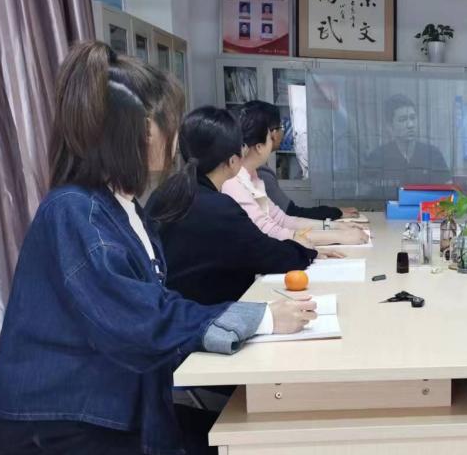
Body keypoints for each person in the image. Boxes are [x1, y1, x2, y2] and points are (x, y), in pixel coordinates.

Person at [0, 42, 316, 455]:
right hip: (47, 438)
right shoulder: (76, 214)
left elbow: (152, 314)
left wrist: (243, 323)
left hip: (95, 413)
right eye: (163, 123)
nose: (172, 137)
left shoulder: (116, 208)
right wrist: (257, 319)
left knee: (234, 445)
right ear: (135, 132)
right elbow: (141, 324)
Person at [148, 106, 343, 306]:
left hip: (171, 310)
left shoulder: (163, 195)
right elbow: (267, 254)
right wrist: (306, 251)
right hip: (211, 314)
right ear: (233, 161)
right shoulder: (220, 208)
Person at [222, 104, 367, 246]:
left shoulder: (252, 177)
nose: (274, 139)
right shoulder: (233, 183)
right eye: (269, 137)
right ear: (259, 147)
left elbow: (283, 220)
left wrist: (336, 227)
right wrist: (339, 236)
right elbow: (272, 232)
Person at [241, 100, 358, 222]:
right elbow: (290, 214)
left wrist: (334, 215)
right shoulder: (258, 174)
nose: (283, 132)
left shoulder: (254, 173)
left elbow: (281, 219)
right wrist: (334, 217)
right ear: (272, 134)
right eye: (281, 127)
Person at [363, 94, 451, 197]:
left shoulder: (433, 155)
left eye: (413, 118)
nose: (410, 125)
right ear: (390, 127)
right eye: (403, 120)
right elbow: (365, 197)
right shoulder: (377, 158)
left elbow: (449, 195)